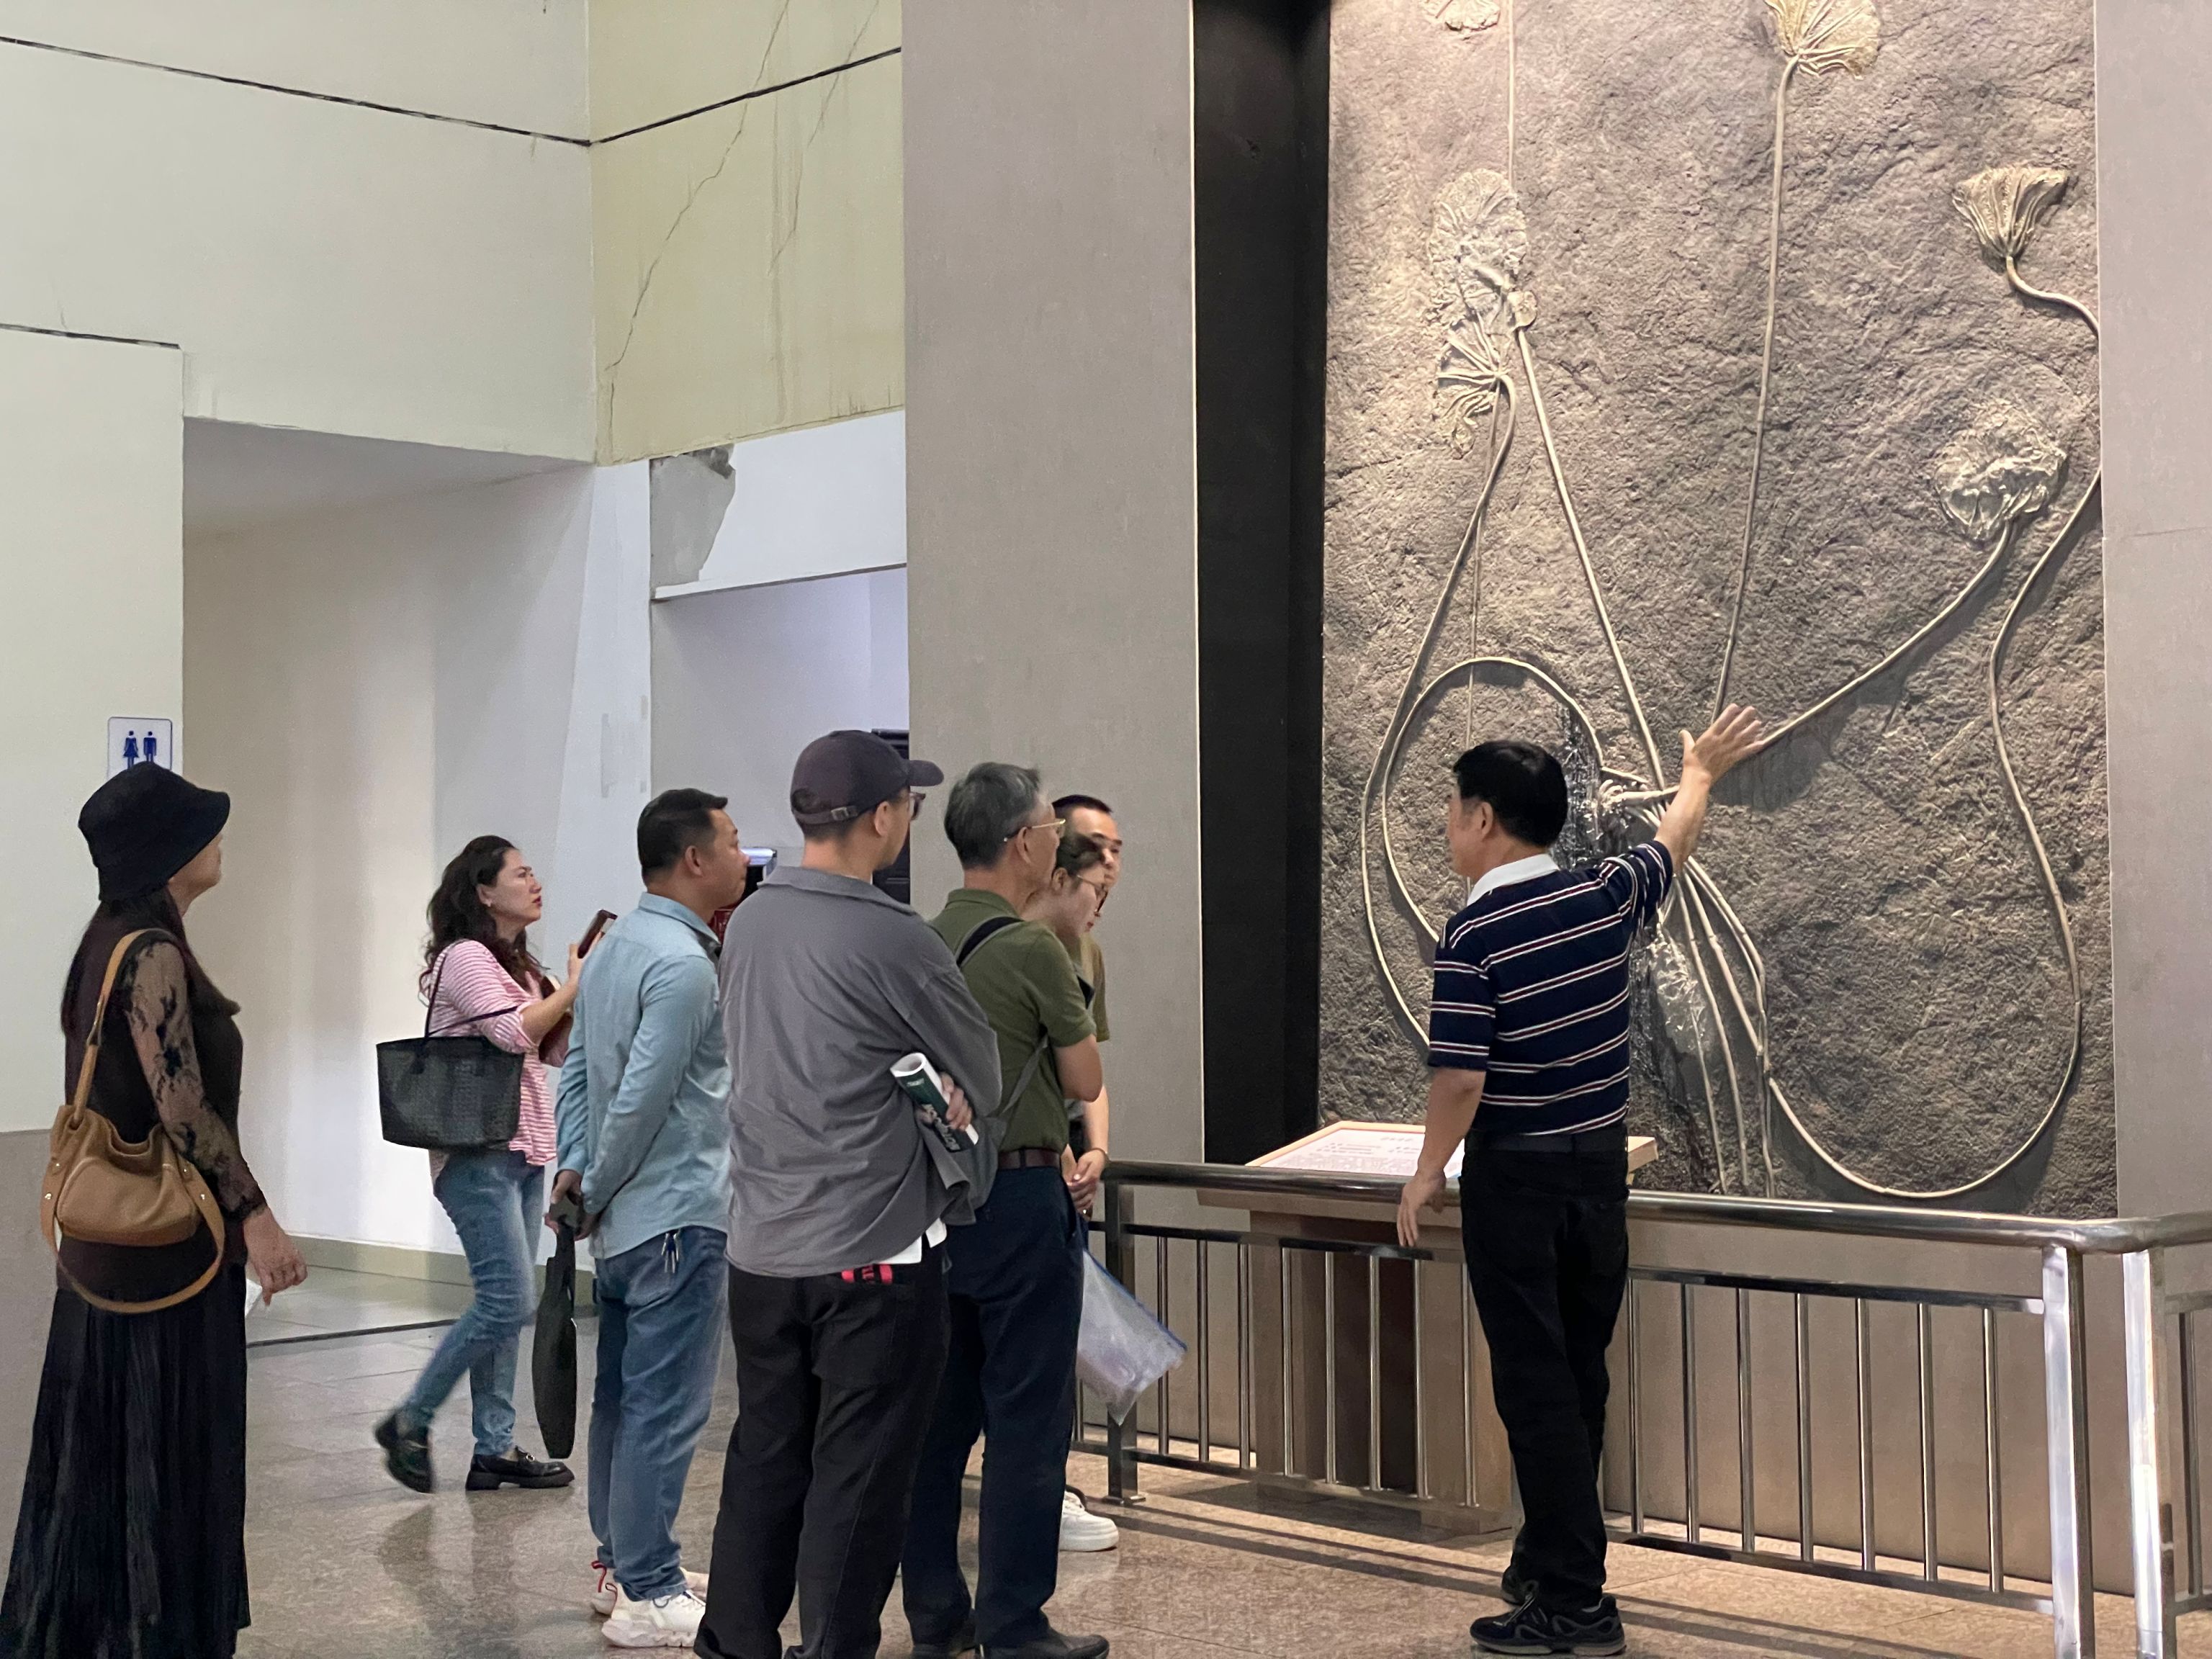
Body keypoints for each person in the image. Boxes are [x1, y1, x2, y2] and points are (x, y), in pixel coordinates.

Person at [1395, 706, 1764, 1658]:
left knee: (1535, 1389)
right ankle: (1543, 1560)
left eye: (1453, 808)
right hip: (1599, 1173)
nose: (1448, 824)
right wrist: (1699, 774)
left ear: (1483, 818)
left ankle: (1573, 1601)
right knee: (1577, 1376)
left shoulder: (1473, 934)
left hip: (1516, 1178)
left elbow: (1461, 1078)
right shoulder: (1603, 895)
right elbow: (1670, 847)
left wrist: (1427, 1172)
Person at [698, 729, 1003, 1659]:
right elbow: (980, 1074)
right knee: (860, 1478)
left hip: (761, 1250)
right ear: (880, 819)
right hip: (873, 1254)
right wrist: (939, 1091)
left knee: (764, 1458)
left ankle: (735, 1643)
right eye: (907, 803)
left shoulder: (750, 921)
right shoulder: (894, 935)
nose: (909, 816)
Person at [1, 764, 307, 1658]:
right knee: (167, 1444)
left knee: (102, 1452)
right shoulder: (151, 952)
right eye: (202, 829)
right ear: (168, 854)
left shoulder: (103, 943)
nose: (218, 841)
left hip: (109, 1259)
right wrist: (256, 1216)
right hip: (170, 1251)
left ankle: (100, 1632)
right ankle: (159, 1634)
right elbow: (183, 1107)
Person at [903, 765, 1110, 1659]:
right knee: (1027, 1421)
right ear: (1024, 842)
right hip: (1022, 1195)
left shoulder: (919, 940)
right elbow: (1084, 1078)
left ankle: (935, 1613)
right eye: (1049, 831)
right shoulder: (1034, 950)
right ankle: (1015, 1624)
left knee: (937, 1423)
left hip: (934, 1199)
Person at [554, 788, 752, 1649]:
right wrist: (594, 1183)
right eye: (734, 842)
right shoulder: (683, 964)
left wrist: (575, 1174)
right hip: (676, 1215)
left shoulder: (615, 948)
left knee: (620, 1402)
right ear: (695, 859)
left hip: (625, 1226)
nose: (745, 856)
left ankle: (623, 1561)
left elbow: (576, 1074)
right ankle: (648, 1588)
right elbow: (643, 1096)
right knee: (663, 1411)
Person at [374, 837, 587, 1495]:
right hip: (475, 1156)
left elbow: (550, 1049)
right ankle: (409, 1420)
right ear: (485, 892)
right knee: (507, 1300)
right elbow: (512, 1033)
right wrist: (572, 988)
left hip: (521, 1148)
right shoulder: (465, 957)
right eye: (520, 873)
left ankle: (494, 1448)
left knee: (506, 1306)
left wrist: (575, 997)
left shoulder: (519, 966)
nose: (534, 882)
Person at [1024, 828, 1120, 1555]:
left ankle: (1044, 1486)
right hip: (1024, 1169)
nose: (1099, 904)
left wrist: (1095, 1151)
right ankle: (1034, 1496)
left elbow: (1090, 1075)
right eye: (1094, 888)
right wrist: (1056, 1149)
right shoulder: (1027, 951)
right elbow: (1037, 1071)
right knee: (1024, 1358)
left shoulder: (1087, 955)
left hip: (1056, 1169)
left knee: (1052, 1348)